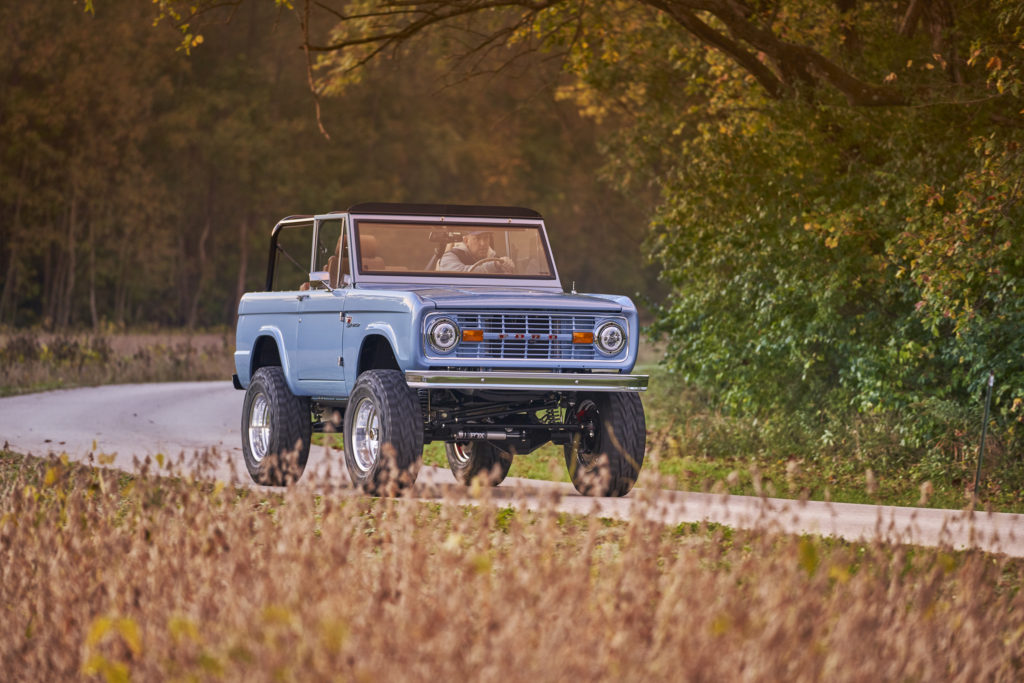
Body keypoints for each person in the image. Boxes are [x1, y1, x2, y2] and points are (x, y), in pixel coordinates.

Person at [437, 231, 514, 273]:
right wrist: (494, 265)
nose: (483, 243)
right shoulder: (450, 257)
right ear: (466, 241)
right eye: (477, 238)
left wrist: (507, 265)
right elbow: (462, 274)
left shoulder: (495, 259)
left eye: (486, 238)